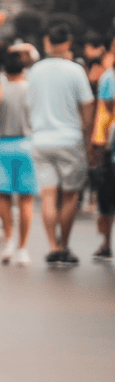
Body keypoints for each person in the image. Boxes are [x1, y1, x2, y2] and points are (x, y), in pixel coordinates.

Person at [28, 23, 94, 266]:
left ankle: (52, 246)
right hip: (70, 139)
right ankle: (64, 246)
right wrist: (88, 140)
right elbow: (87, 106)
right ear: (68, 43)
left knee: (48, 195)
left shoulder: (34, 71)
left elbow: (29, 104)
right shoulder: (75, 70)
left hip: (41, 139)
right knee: (70, 196)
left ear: (47, 42)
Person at [0, 50, 38, 265]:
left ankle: (9, 241)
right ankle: (23, 248)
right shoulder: (31, 90)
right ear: (23, 69)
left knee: (3, 195)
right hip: (27, 145)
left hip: (3, 145)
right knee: (26, 198)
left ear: (5, 70)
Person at [90, 51, 115, 260]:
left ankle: (106, 243)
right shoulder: (108, 77)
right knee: (106, 199)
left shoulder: (108, 77)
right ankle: (106, 242)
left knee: (106, 200)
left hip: (109, 153)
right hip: (108, 151)